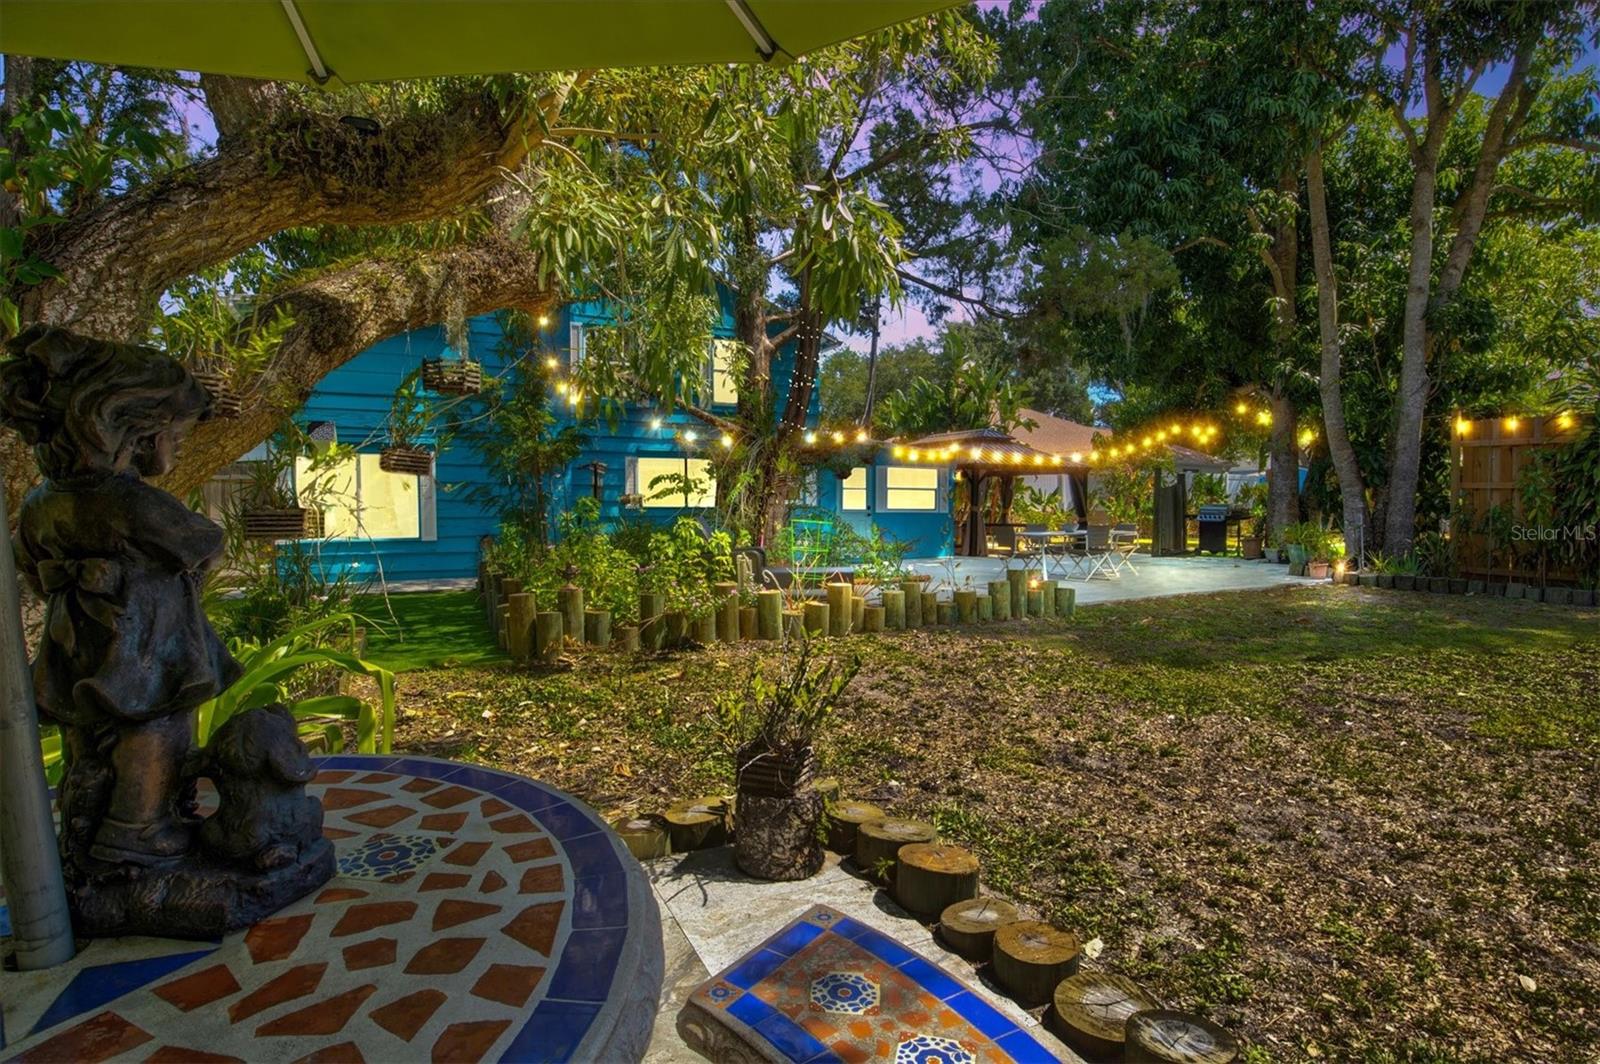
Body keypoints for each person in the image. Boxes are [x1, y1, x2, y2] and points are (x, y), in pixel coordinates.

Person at [1, 326, 240, 867]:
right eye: (176, 437)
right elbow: (203, 543)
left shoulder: (41, 503)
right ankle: (138, 827)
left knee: (87, 735)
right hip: (147, 649)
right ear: (139, 435)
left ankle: (84, 819)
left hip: (75, 644)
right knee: (156, 730)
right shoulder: (130, 502)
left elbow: (28, 563)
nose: (179, 446)